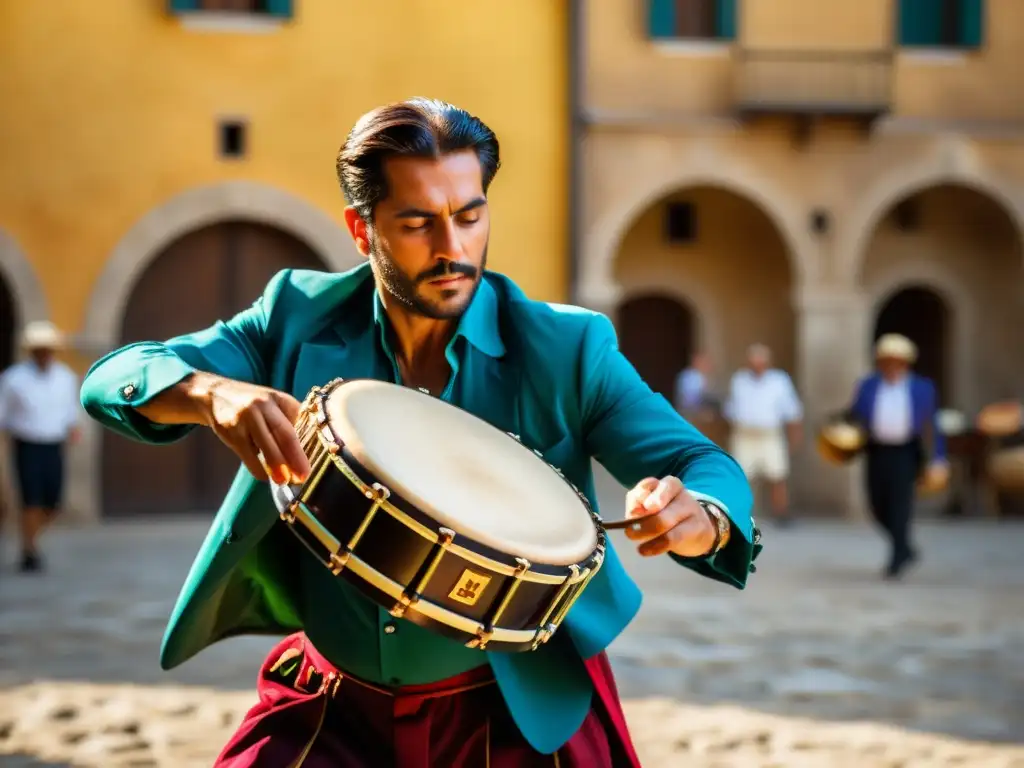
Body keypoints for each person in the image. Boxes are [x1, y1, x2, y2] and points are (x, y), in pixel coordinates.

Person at [81, 98, 760, 767]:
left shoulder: (568, 347)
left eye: (470, 216)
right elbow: (115, 379)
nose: (452, 248)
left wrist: (702, 514)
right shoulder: (293, 316)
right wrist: (208, 393)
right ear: (360, 228)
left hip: (515, 714)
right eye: (417, 224)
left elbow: (697, 460)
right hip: (330, 705)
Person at [846, 333, 946, 579]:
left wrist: (938, 457)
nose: (890, 366)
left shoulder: (922, 387)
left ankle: (896, 560)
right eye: (886, 361)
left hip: (906, 452)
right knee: (877, 504)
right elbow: (855, 414)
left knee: (900, 505)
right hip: (877, 450)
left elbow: (931, 425)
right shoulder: (868, 385)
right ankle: (905, 547)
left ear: (905, 363)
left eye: (896, 361)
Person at [0, 321, 81, 573]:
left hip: (54, 444)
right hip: (27, 444)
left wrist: (73, 428)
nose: (43, 353)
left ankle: (29, 540)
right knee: (31, 500)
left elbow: (70, 410)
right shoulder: (13, 379)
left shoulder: (65, 377)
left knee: (53, 503)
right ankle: (30, 549)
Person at [724, 343, 803, 526]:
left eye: (760, 361)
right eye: (753, 361)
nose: (757, 365)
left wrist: (794, 437)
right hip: (744, 434)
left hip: (770, 435)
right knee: (742, 476)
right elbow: (732, 407)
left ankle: (781, 513)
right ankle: (740, 514)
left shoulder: (779, 380)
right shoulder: (740, 380)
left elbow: (792, 410)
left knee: (777, 475)